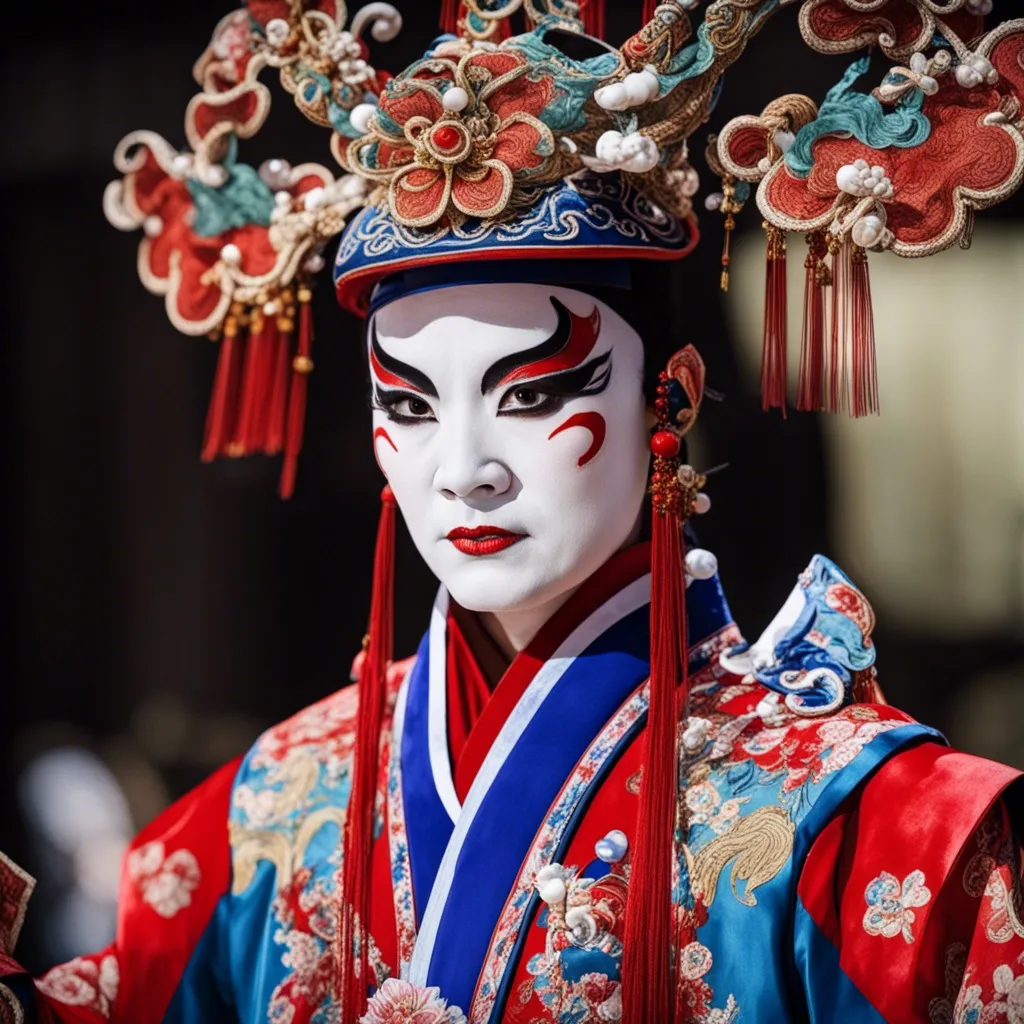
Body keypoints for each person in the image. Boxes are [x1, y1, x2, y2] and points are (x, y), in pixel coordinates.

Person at [3, 1, 1023, 1022]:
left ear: (666, 394)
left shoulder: (860, 823)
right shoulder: (276, 809)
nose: (463, 470)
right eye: (407, 403)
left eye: (532, 393)